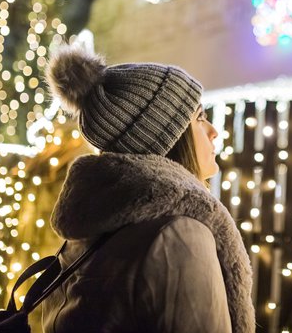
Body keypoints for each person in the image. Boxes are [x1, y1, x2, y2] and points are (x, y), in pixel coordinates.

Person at [42, 44, 255, 333]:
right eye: (199, 118)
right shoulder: (179, 235)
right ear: (166, 138)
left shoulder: (85, 237)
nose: (213, 131)